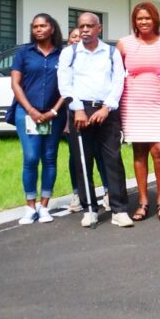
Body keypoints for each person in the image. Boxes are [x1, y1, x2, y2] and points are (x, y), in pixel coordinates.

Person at [57, 12, 131, 227]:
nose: (85, 30)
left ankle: (119, 210)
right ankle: (90, 208)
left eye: (90, 26)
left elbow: (118, 81)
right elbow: (65, 84)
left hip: (106, 111)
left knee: (113, 160)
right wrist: (78, 109)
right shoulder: (69, 53)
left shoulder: (111, 52)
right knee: (82, 161)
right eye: (82, 26)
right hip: (80, 111)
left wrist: (106, 108)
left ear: (99, 28)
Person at [117, 2, 160, 222]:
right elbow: (115, 75)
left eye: (147, 18)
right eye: (139, 19)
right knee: (139, 151)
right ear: (134, 22)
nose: (144, 22)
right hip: (133, 101)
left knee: (159, 150)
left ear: (155, 19)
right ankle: (143, 201)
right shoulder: (124, 43)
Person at [10, 14, 66, 225]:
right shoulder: (24, 52)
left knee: (49, 158)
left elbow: (68, 85)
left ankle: (44, 206)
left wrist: (53, 111)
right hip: (26, 113)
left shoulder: (63, 54)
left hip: (54, 113)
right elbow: (16, 84)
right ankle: (30, 206)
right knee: (31, 158)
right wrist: (31, 110)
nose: (38, 29)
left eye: (43, 26)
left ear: (52, 28)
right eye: (35, 27)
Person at [63, 28, 109, 214]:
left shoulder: (96, 58)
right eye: (73, 37)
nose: (77, 39)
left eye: (79, 36)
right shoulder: (67, 58)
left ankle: (107, 191)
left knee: (100, 153)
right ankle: (78, 193)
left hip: (95, 109)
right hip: (71, 112)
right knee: (77, 156)